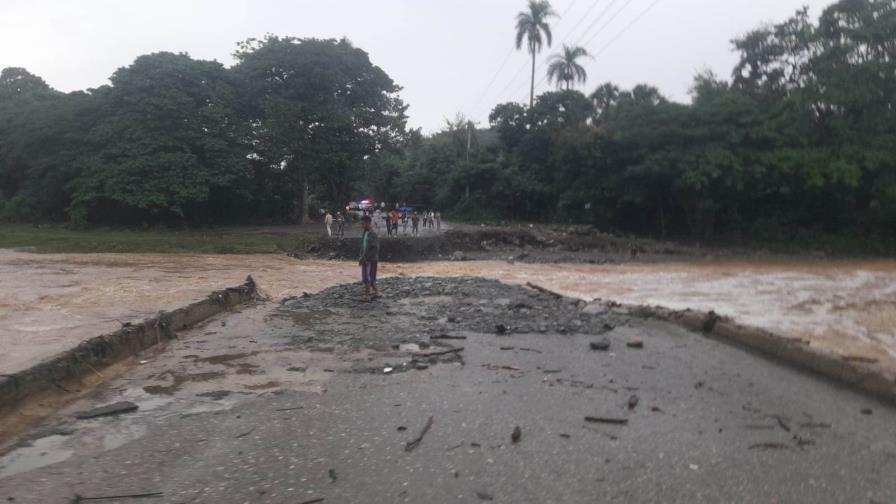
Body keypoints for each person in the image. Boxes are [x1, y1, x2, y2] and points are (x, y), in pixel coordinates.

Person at [359, 215, 380, 299]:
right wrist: (361, 256)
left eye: (363, 223)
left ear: (368, 223)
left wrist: (367, 258)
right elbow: (363, 245)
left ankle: (367, 295)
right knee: (370, 277)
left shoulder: (372, 233)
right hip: (365, 259)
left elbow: (376, 248)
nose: (362, 225)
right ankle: (377, 292)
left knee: (367, 277)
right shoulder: (365, 232)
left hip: (370, 260)